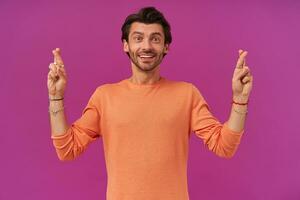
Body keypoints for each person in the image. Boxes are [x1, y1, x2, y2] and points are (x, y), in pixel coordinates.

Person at [47, 6, 253, 200]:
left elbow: (224, 146)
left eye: (155, 39)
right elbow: (67, 150)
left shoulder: (186, 94)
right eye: (138, 38)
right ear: (126, 45)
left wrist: (240, 100)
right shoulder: (105, 96)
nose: (146, 46)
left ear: (166, 47)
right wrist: (55, 97)